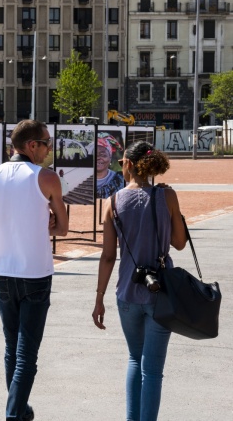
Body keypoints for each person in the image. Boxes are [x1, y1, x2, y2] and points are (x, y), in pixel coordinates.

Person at [92, 141, 187, 421]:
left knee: (135, 359)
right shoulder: (167, 196)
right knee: (153, 369)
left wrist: (99, 298)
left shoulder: (112, 202)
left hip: (127, 292)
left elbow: (108, 256)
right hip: (161, 293)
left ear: (130, 165)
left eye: (121, 162)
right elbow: (179, 243)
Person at [0, 120, 68, 421]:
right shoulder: (46, 178)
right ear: (32, 145)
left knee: (11, 347)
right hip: (34, 270)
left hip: (2, 269)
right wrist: (43, 221)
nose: (49, 148)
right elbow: (63, 228)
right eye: (46, 142)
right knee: (27, 354)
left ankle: (19, 410)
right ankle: (13, 413)